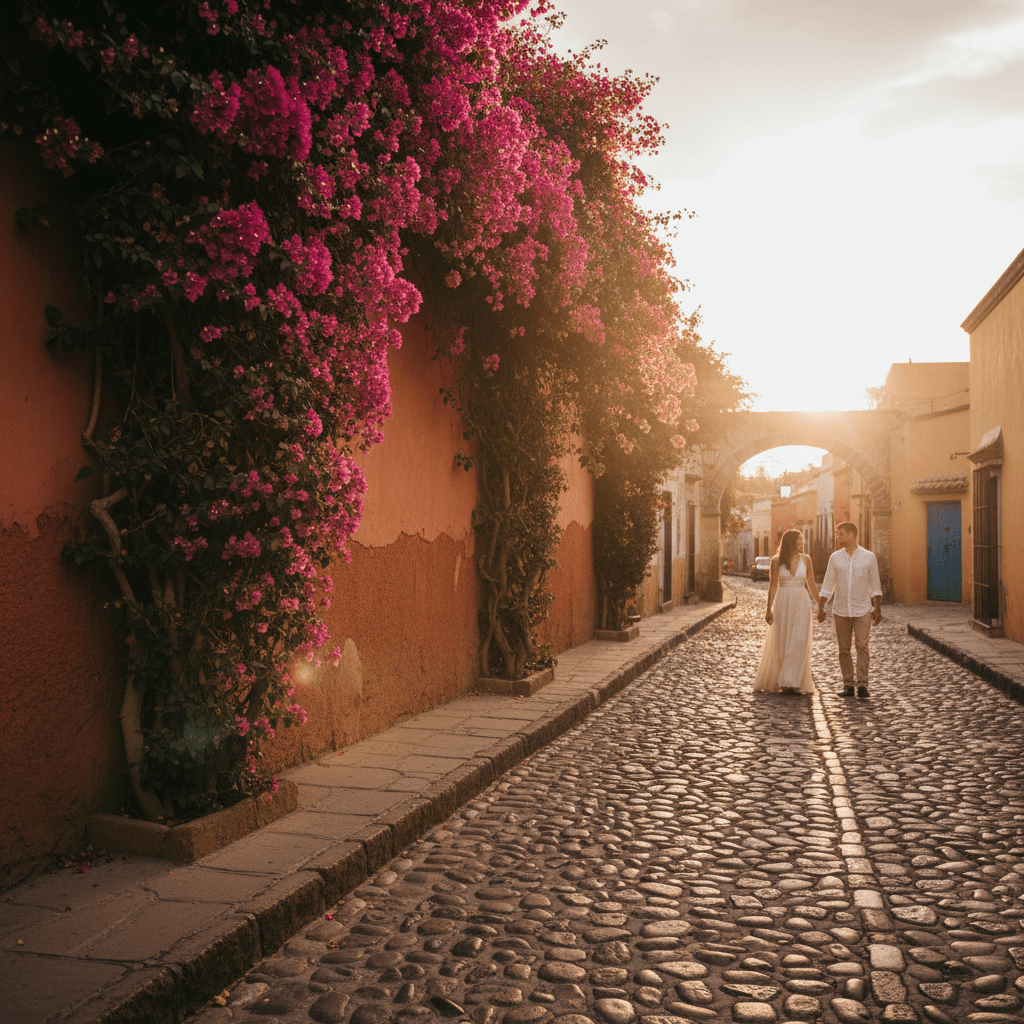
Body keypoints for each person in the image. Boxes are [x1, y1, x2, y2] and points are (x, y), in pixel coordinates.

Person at [816, 521, 882, 699]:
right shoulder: (835, 558)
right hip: (841, 610)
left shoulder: (869, 557)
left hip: (863, 610)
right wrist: (821, 607)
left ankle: (862, 684)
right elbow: (828, 585)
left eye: (841, 534)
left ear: (851, 535)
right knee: (843, 650)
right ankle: (848, 685)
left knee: (862, 647)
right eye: (838, 534)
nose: (838, 537)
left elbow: (875, 585)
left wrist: (877, 609)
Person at [752, 529, 823, 694]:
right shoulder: (776, 561)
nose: (802, 544)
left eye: (803, 541)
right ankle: (784, 679)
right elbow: (773, 585)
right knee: (782, 639)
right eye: (799, 541)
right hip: (782, 602)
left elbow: (811, 584)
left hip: (801, 602)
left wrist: (820, 604)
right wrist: (768, 608)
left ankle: (791, 680)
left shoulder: (806, 560)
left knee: (799, 639)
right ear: (791, 542)